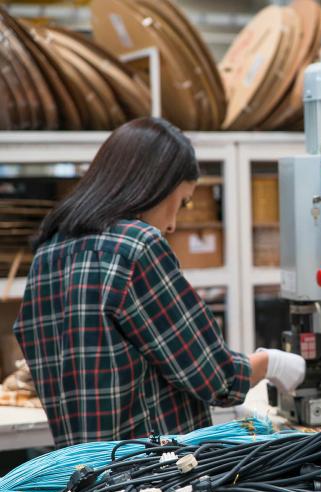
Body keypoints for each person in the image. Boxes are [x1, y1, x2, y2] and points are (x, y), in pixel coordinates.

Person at [13, 117, 305, 448]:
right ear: (153, 186)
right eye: (182, 202)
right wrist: (273, 363)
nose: (172, 224)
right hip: (152, 477)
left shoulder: (48, 253)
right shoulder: (137, 246)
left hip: (81, 475)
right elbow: (214, 376)